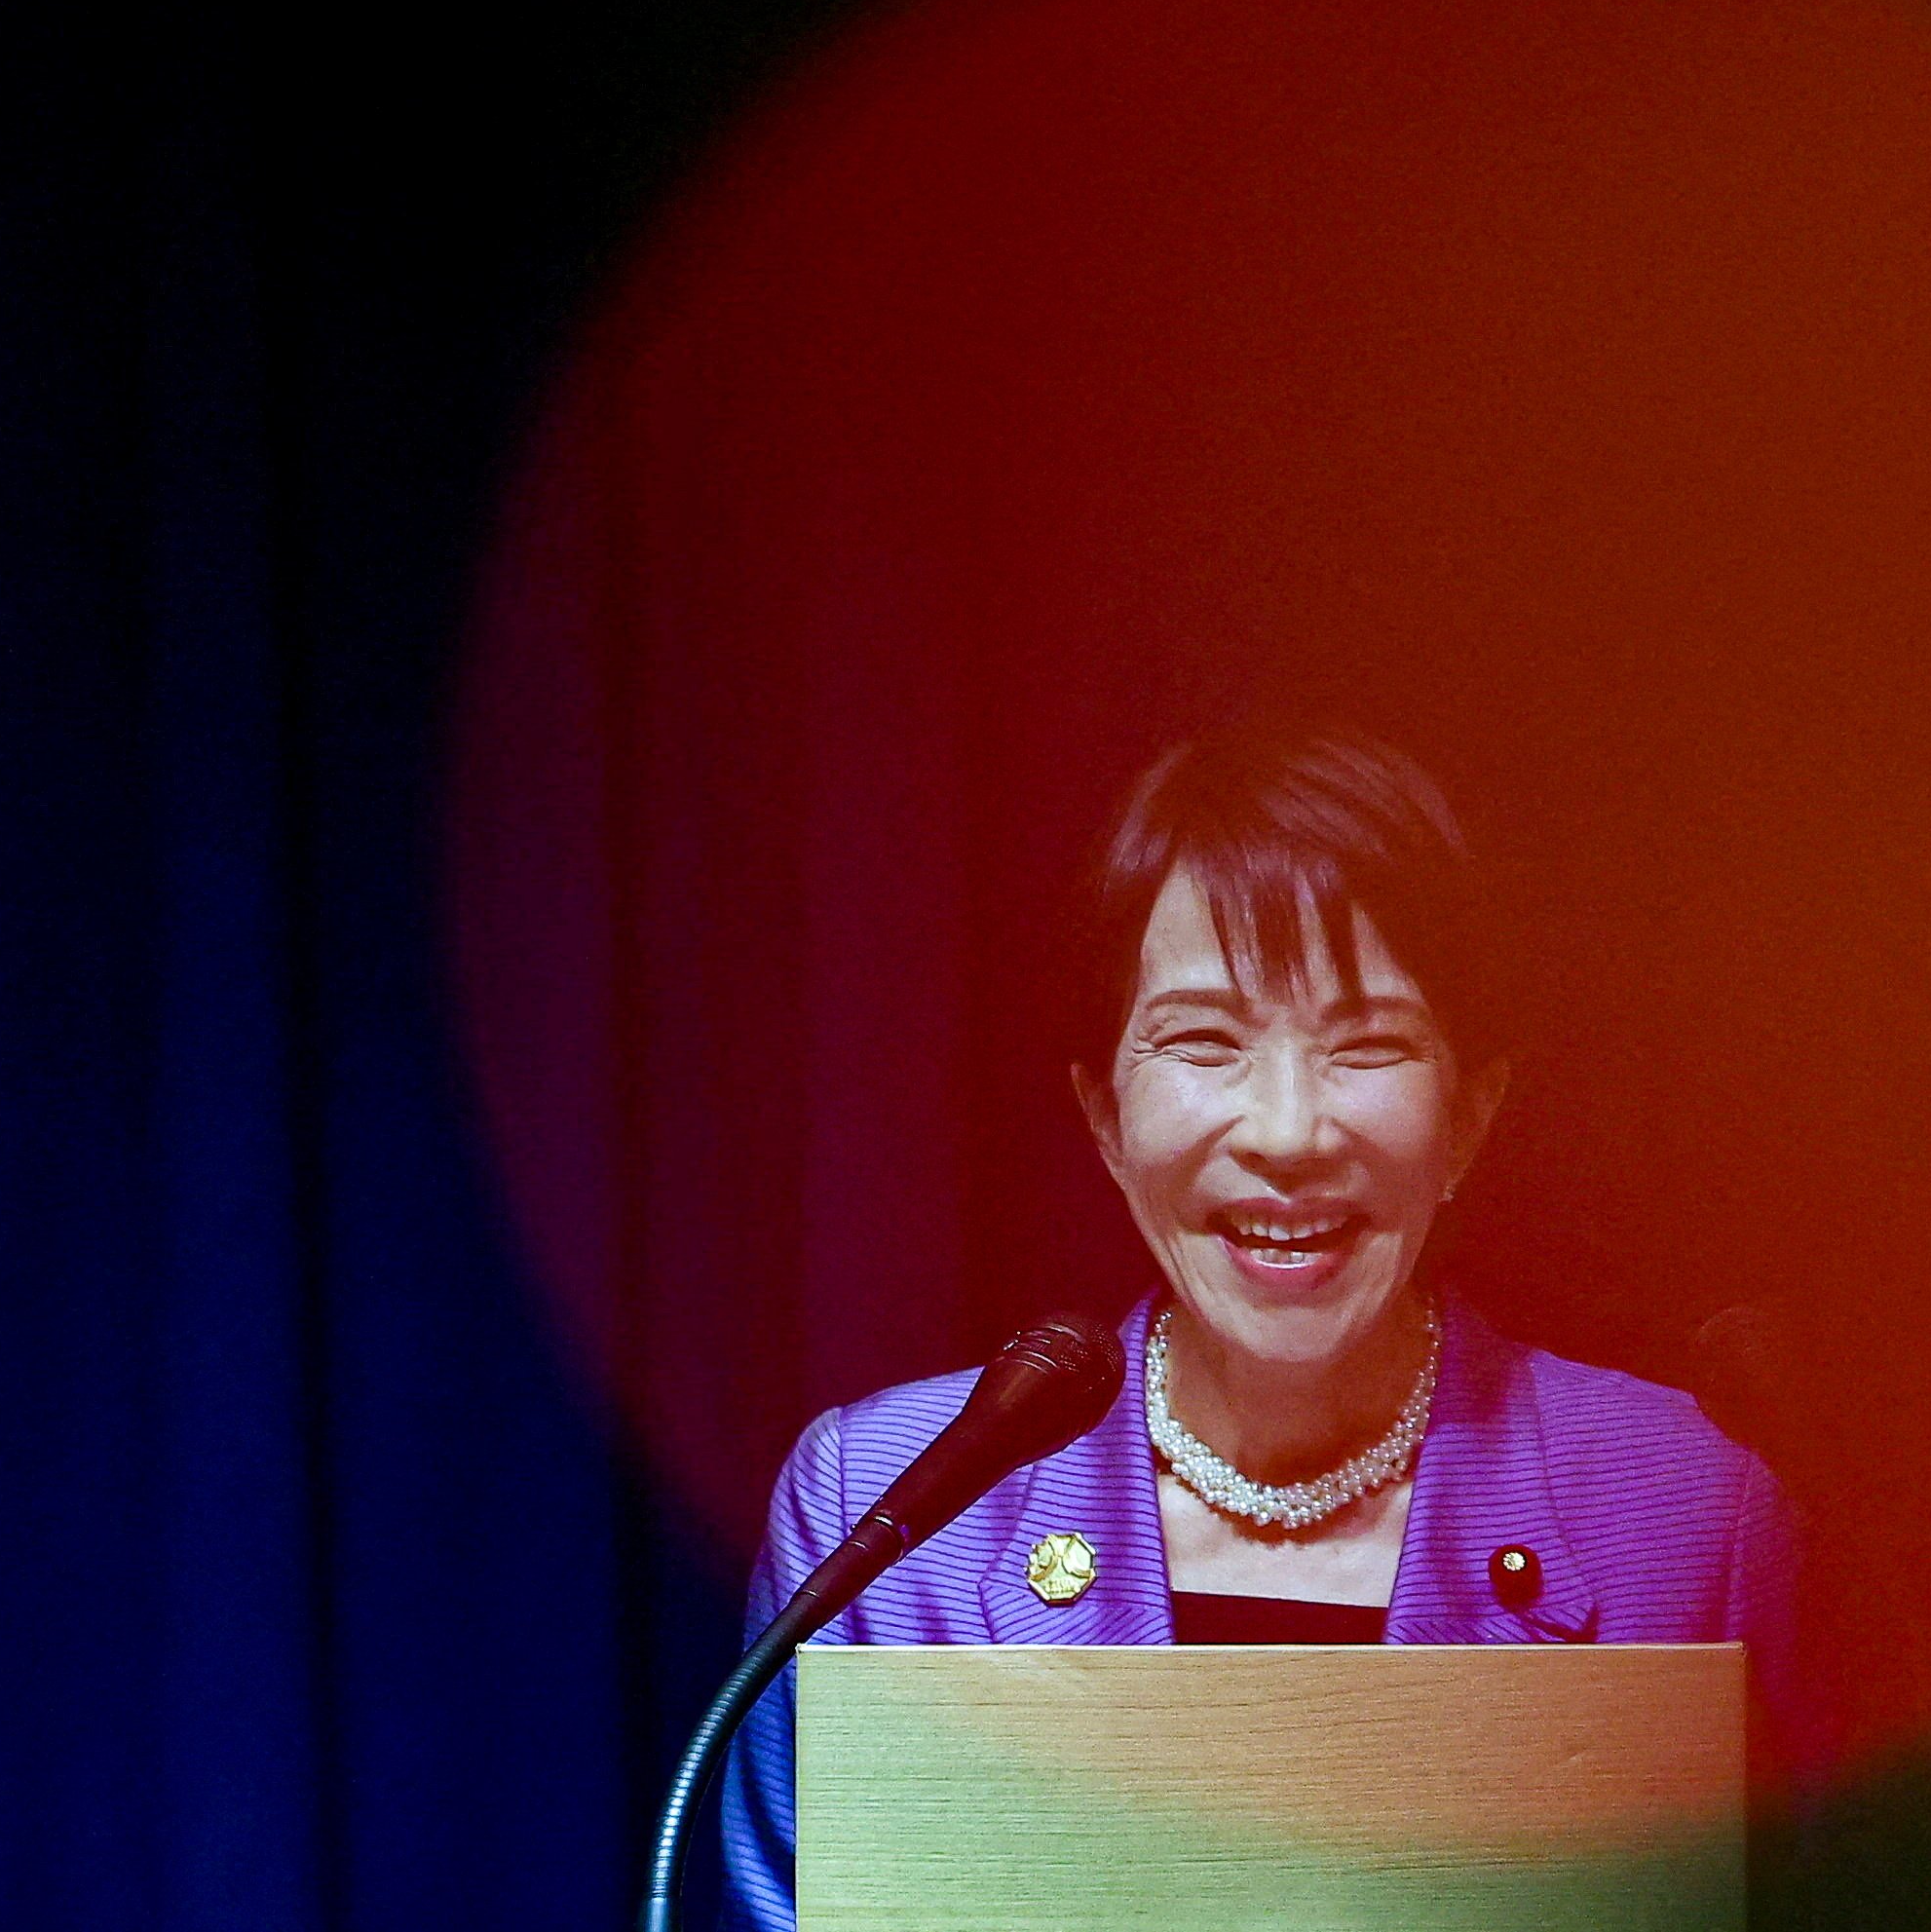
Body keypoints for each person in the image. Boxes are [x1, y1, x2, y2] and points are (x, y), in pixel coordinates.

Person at [721, 729, 1817, 1926]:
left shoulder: (1691, 1509)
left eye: (1367, 1045)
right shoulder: (886, 1509)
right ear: (1102, 1112)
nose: (1287, 1131)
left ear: (1470, 1114)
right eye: (1204, 1040)